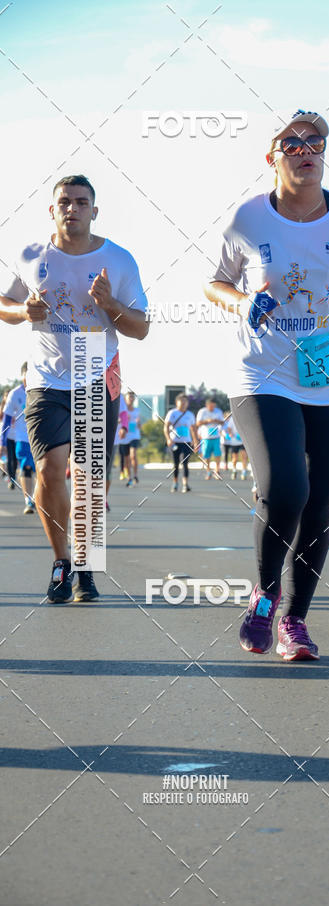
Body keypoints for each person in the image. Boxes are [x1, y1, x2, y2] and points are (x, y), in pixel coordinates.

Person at [205, 108, 329, 661]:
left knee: (318, 508)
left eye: (314, 140)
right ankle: (263, 597)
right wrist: (242, 301)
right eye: (291, 142)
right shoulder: (247, 219)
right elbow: (214, 282)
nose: (305, 147)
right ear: (272, 157)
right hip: (263, 373)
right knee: (287, 487)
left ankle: (295, 620)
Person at [0, 174, 149, 602]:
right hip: (45, 377)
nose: (72, 208)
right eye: (64, 201)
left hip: (94, 371)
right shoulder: (31, 255)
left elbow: (140, 328)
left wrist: (109, 304)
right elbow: (3, 304)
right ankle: (62, 560)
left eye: (81, 202)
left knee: (89, 481)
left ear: (94, 211)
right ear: (52, 210)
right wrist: (21, 310)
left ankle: (87, 564)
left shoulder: (118, 260)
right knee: (49, 470)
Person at [1, 363, 36, 513]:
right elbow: (7, 419)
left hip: (41, 439)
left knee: (41, 471)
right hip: (22, 438)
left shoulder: (42, 391)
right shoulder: (15, 394)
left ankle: (36, 497)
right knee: (26, 467)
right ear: (22, 375)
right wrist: (2, 442)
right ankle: (28, 500)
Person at [164, 393, 197, 493]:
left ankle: (185, 484)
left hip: (186, 442)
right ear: (177, 402)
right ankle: (175, 483)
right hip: (175, 442)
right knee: (176, 464)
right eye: (181, 401)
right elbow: (166, 427)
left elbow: (193, 429)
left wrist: (195, 441)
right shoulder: (172, 413)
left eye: (185, 401)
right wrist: (168, 439)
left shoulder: (190, 414)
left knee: (185, 463)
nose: (183, 403)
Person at [196, 397, 224, 479]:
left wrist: (216, 421)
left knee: (217, 454)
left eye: (213, 406)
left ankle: (217, 470)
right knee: (206, 455)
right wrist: (207, 421)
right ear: (207, 405)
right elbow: (197, 423)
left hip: (216, 436)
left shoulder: (218, 411)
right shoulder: (202, 412)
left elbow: (223, 422)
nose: (212, 407)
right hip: (206, 437)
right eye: (210, 406)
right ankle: (208, 471)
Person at [0, 387, 18, 490]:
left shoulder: (15, 407)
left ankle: (13, 476)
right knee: (9, 458)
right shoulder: (2, 408)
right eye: (6, 395)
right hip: (6, 437)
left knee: (14, 459)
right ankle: (11, 478)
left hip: (16, 436)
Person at [221, 412, 248, 479]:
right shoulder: (232, 419)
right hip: (234, 441)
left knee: (244, 456)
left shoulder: (244, 418)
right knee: (235, 458)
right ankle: (234, 470)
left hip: (243, 441)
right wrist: (231, 434)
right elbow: (229, 428)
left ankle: (244, 472)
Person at [123, 390, 141, 486]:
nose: (131, 399)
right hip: (124, 436)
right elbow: (118, 421)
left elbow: (139, 425)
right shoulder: (122, 410)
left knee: (133, 455)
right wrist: (125, 420)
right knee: (126, 458)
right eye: (129, 397)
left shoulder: (137, 410)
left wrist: (138, 423)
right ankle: (129, 478)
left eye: (132, 397)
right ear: (125, 399)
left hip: (134, 435)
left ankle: (135, 475)